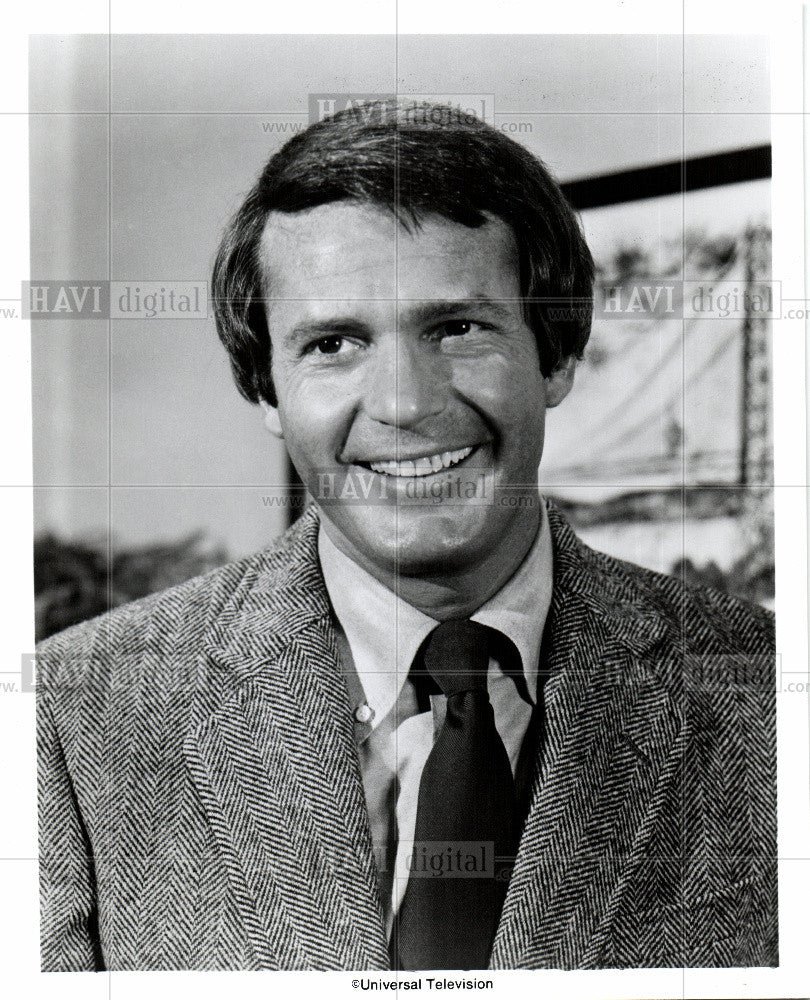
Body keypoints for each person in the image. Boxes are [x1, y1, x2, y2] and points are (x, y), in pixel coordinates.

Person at [37, 101, 777, 971]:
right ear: (269, 393)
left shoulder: (767, 692)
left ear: (558, 354)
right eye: (334, 343)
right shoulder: (72, 712)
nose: (404, 402)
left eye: (457, 328)